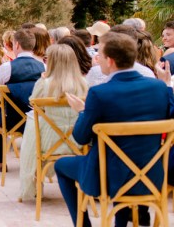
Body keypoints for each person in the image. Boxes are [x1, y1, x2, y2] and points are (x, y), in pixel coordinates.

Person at [54, 32, 173, 227]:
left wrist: (82, 112)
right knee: (122, 154)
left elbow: (81, 137)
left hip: (109, 178)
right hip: (153, 175)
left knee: (61, 165)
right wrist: (167, 86)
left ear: (110, 61)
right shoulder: (159, 88)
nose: (97, 59)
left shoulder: (100, 93)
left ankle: (82, 225)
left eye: (99, 54)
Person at [19, 44, 86, 201]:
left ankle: (34, 184)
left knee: (31, 125)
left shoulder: (44, 83)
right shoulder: (84, 83)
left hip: (48, 143)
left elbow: (33, 104)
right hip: (76, 141)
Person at [0, 29, 45, 172]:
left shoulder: (7, 67)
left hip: (11, 119)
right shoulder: (43, 67)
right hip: (35, 119)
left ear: (17, 45)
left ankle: (0, 161)